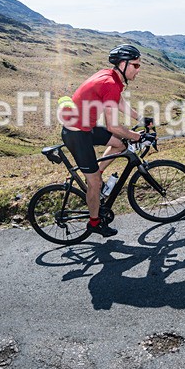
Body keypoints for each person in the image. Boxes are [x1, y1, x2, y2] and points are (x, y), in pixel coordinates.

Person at [59, 44, 154, 237]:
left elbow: (117, 101)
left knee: (119, 144)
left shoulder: (111, 77)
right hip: (76, 134)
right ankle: (94, 223)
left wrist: (140, 119)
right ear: (123, 64)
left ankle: (98, 177)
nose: (138, 69)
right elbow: (113, 127)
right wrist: (138, 136)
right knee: (94, 182)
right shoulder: (110, 83)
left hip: (86, 126)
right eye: (135, 65)